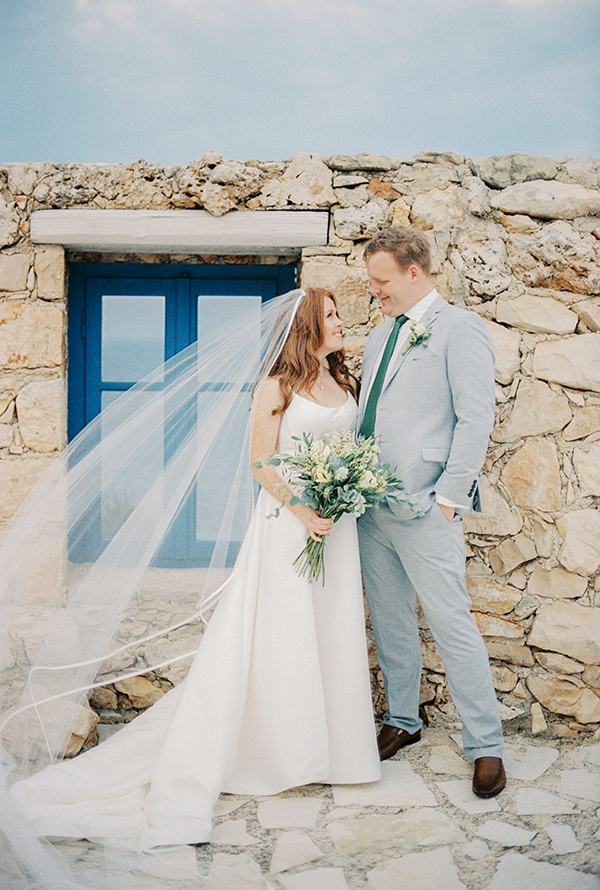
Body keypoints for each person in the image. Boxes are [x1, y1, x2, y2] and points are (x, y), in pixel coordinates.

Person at [2, 289, 380, 881]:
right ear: (307, 325)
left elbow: (351, 448)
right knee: (282, 636)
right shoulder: (276, 386)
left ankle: (334, 747)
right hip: (291, 527)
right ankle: (282, 751)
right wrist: (306, 510)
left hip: (339, 526)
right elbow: (260, 462)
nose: (340, 321)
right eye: (331, 314)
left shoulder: (344, 381)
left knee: (331, 629)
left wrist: (345, 491)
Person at [357, 226, 505, 798]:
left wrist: (447, 500)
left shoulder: (460, 329)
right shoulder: (378, 337)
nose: (375, 290)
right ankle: (402, 720)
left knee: (452, 623)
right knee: (391, 619)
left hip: (424, 508)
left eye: (381, 279)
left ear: (413, 273)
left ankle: (485, 743)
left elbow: (475, 419)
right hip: (369, 506)